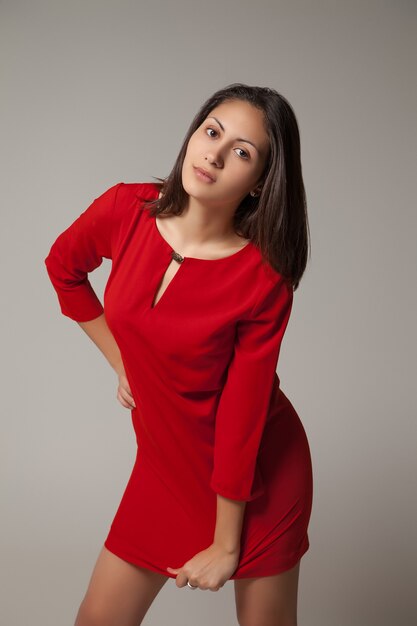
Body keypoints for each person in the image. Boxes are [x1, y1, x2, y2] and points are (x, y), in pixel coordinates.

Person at [44, 83, 313, 626]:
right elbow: (63, 268)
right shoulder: (126, 207)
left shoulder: (264, 280)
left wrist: (226, 542)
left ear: (261, 182)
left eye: (241, 151)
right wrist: (123, 362)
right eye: (211, 131)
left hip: (254, 480)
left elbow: (244, 411)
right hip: (164, 467)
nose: (213, 153)